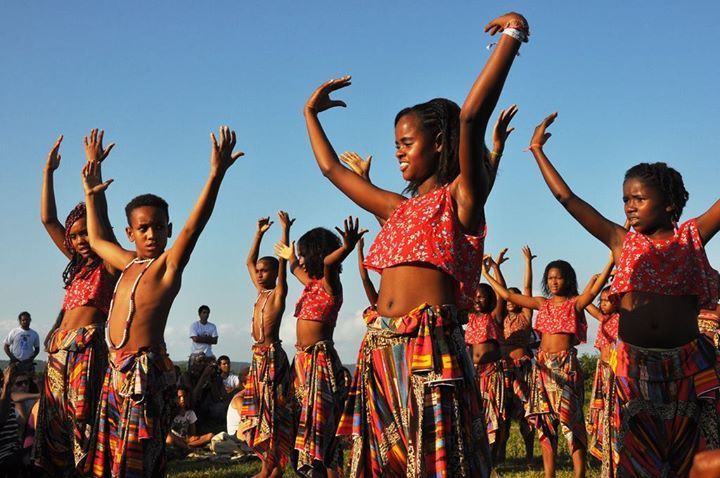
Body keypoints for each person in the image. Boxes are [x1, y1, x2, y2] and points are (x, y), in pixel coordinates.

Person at [304, 10, 528, 476]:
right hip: (380, 351)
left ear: (440, 143)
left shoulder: (462, 199)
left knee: (434, 462)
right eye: (396, 143)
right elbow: (332, 171)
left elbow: (470, 117)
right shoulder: (397, 209)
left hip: (432, 350)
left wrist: (512, 35)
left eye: (407, 141)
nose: (398, 151)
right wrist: (309, 114)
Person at [527, 113, 720, 477]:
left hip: (687, 367)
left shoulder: (691, 237)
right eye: (625, 199)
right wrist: (537, 151)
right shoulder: (622, 241)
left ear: (668, 204)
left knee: (691, 458)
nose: (629, 205)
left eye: (639, 198)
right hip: (634, 370)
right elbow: (568, 199)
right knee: (637, 459)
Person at [83, 125, 242, 478]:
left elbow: (193, 227)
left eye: (158, 227)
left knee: (140, 455)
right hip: (116, 374)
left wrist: (215, 175)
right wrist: (92, 191)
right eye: (143, 228)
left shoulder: (167, 266)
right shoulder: (126, 263)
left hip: (145, 377)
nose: (152, 234)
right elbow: (96, 237)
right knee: (113, 456)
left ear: (167, 229)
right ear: (131, 233)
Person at [34, 129, 119, 477]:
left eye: (87, 233)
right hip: (59, 353)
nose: (82, 240)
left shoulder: (109, 264)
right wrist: (48, 173)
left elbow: (105, 231)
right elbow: (48, 220)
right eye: (77, 235)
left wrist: (92, 175)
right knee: (55, 422)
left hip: (87, 350)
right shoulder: (78, 267)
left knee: (84, 421)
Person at [483, 255, 606, 478]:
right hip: (542, 368)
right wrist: (486, 274)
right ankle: (549, 474)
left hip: (565, 367)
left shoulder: (575, 303)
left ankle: (580, 474)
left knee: (571, 423)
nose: (554, 282)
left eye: (558, 278)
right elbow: (508, 295)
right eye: (550, 278)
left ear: (568, 280)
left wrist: (609, 261)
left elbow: (593, 292)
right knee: (544, 423)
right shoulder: (542, 304)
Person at [274, 218, 360, 477]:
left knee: (322, 424)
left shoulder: (330, 285)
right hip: (302, 364)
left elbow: (329, 264)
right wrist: (287, 238)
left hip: (320, 363)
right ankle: (309, 469)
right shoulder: (310, 285)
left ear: (317, 255)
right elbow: (292, 268)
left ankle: (324, 470)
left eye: (303, 255)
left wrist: (346, 247)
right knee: (303, 419)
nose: (300, 261)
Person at [239, 212, 294, 477]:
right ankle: (266, 465)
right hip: (257, 358)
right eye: (258, 272)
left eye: (265, 271)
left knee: (274, 413)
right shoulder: (260, 293)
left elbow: (284, 262)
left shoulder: (277, 294)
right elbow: (249, 260)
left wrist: (285, 232)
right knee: (260, 414)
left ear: (274, 273)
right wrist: (258, 234)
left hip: (272, 358)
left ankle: (273, 466)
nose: (260, 274)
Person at [495, 246, 536, 465]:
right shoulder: (500, 319)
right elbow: (501, 293)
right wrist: (496, 267)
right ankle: (501, 455)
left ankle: (530, 456)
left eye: (515, 297)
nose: (511, 301)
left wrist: (528, 262)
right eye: (508, 299)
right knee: (502, 412)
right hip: (503, 369)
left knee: (525, 411)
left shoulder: (526, 316)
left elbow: (527, 288)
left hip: (522, 368)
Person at [583, 258, 616, 466]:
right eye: (602, 300)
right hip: (602, 370)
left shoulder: (625, 317)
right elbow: (585, 302)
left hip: (616, 370)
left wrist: (618, 278)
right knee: (602, 411)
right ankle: (601, 451)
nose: (603, 304)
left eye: (608, 300)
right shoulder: (603, 319)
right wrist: (593, 283)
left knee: (614, 411)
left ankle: (615, 449)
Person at [166, 387, 213, 457]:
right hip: (174, 439)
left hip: (186, 440)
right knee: (170, 437)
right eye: (179, 397)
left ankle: (186, 447)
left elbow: (192, 433)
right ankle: (188, 448)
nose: (182, 399)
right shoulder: (170, 413)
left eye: (184, 397)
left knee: (210, 435)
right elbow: (168, 431)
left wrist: (190, 438)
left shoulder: (190, 413)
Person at [0, 365, 21, 478]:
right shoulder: (5, 396)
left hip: (14, 455)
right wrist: (6, 385)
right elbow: (1, 420)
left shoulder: (7, 399)